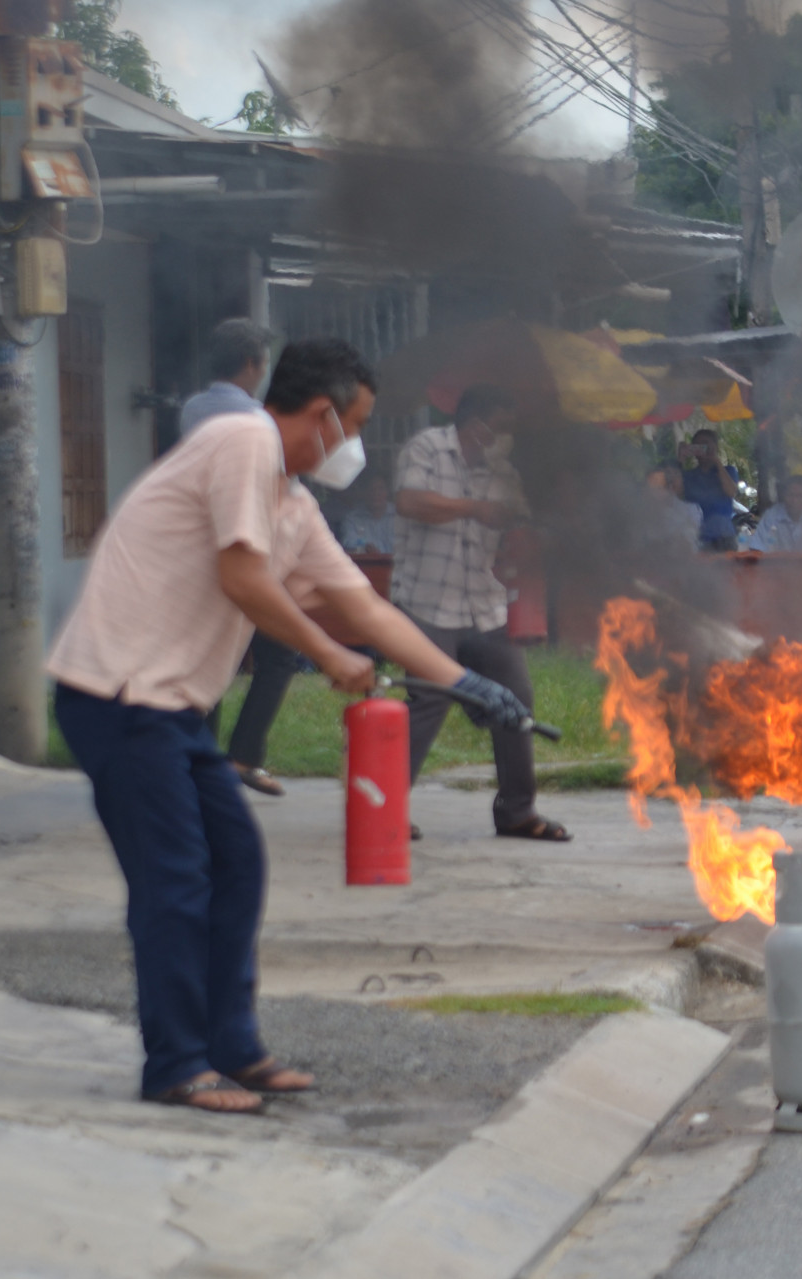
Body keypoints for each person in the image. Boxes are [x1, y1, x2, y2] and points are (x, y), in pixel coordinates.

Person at [48, 339, 530, 1116]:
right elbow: (243, 577)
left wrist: (467, 682)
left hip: (171, 710)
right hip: (119, 696)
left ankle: (233, 1048)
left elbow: (367, 608)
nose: (356, 446)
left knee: (236, 864)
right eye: (358, 424)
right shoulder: (242, 440)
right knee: (175, 881)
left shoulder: (293, 506)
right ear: (321, 413)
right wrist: (331, 656)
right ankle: (176, 1063)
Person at [393, 385, 571, 842]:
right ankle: (386, 810)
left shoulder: (503, 471)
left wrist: (537, 533)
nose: (507, 438)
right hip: (426, 603)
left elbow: (520, 523)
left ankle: (516, 811)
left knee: (515, 697)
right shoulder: (427, 448)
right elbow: (410, 501)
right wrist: (476, 509)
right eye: (504, 428)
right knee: (430, 699)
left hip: (483, 605)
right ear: (479, 425)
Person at [183, 320, 298, 796]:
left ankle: (206, 762)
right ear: (253, 365)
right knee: (278, 657)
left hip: (201, 550)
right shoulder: (259, 422)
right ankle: (244, 756)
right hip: (249, 550)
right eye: (265, 361)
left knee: (212, 656)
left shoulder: (193, 409)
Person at [180, 318, 272, 436]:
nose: (264, 372)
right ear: (249, 364)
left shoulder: (191, 408)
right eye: (265, 363)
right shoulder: (259, 415)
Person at [678, 428, 741, 551]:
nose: (702, 448)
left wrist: (716, 461)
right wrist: (680, 460)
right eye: (698, 445)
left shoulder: (728, 471)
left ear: (715, 446)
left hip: (724, 537)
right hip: (697, 537)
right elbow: (674, 494)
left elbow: (731, 492)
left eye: (706, 444)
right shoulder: (688, 476)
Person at [754, 473, 802, 552]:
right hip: (778, 563)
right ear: (784, 495)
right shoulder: (771, 516)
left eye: (799, 496)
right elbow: (758, 548)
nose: (794, 501)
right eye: (790, 495)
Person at [647, 460, 704, 551]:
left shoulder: (692, 509)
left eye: (676, 475)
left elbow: (688, 541)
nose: (671, 480)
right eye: (668, 476)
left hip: (685, 562)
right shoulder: (647, 511)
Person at [341, 472, 397, 554]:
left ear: (387, 492)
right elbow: (349, 544)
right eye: (372, 489)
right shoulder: (352, 519)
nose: (376, 493)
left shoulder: (399, 516)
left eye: (381, 488)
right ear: (364, 493)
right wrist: (364, 549)